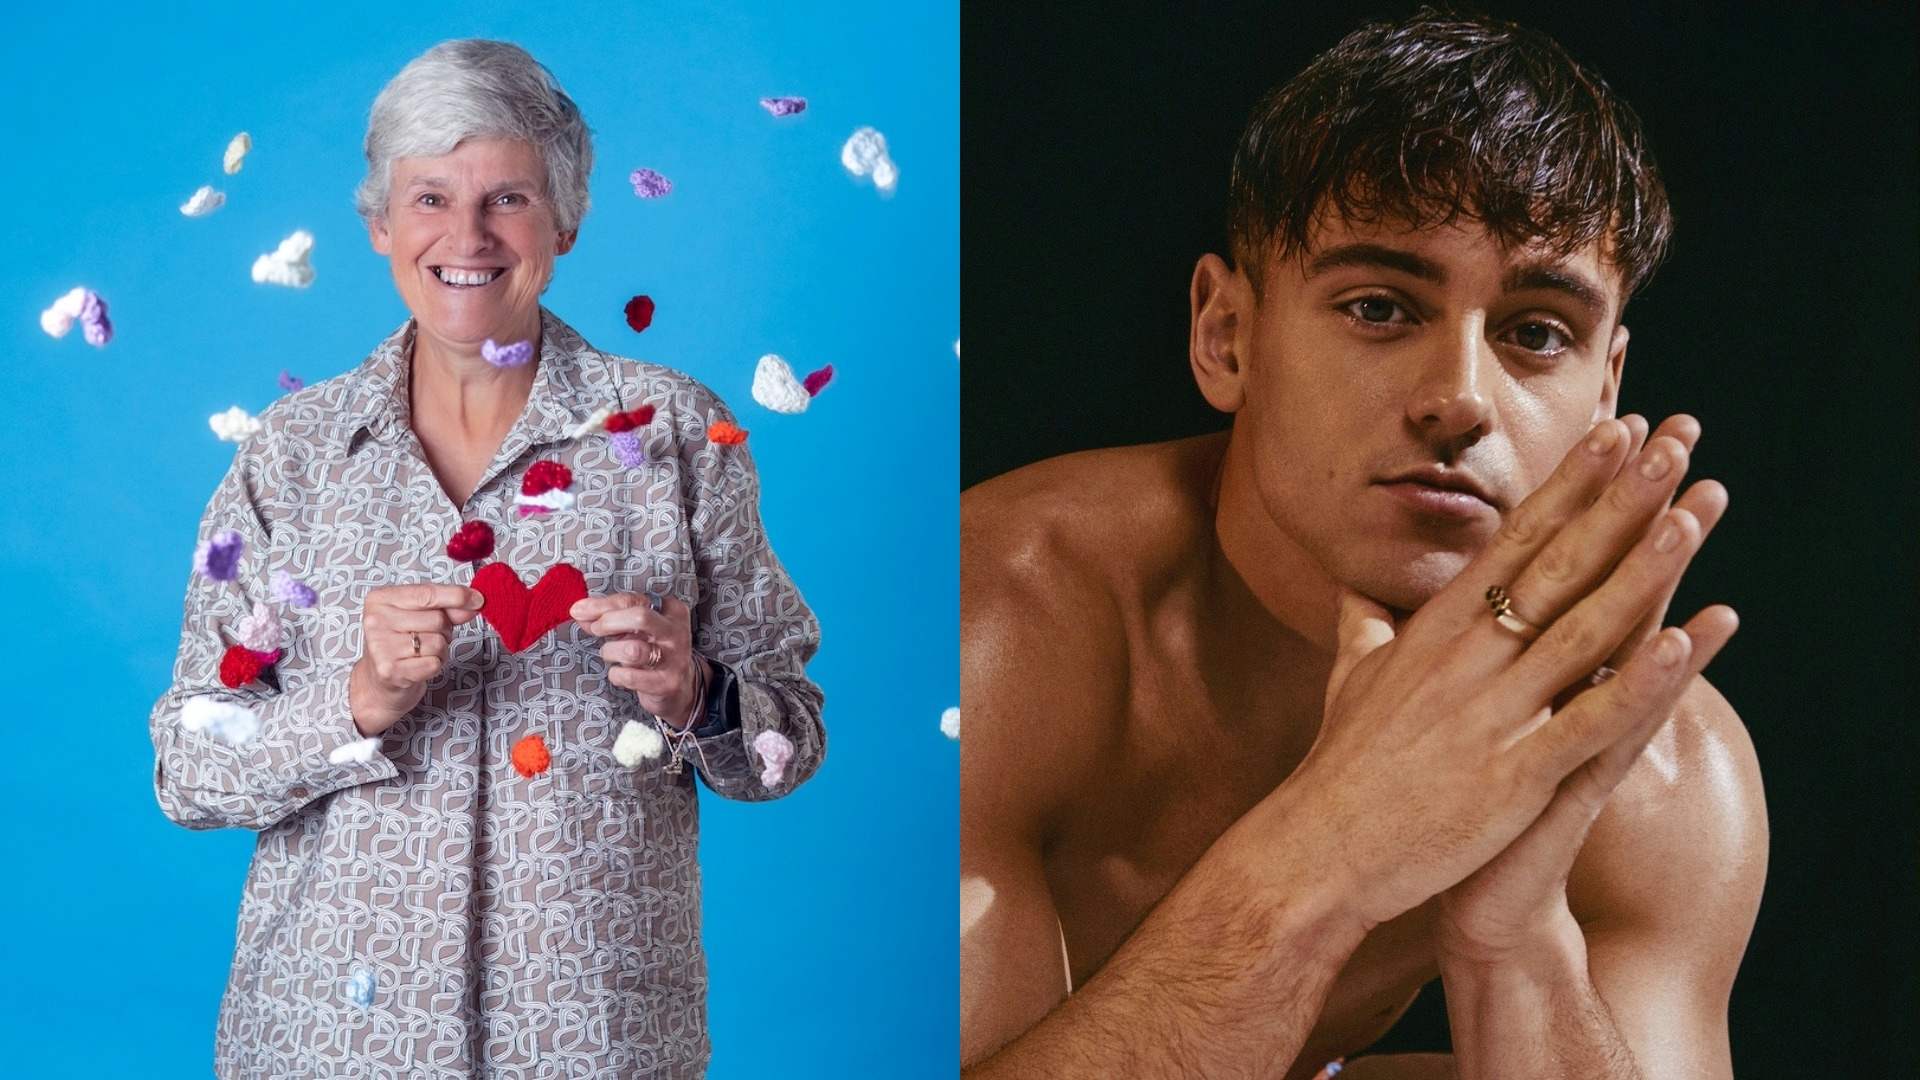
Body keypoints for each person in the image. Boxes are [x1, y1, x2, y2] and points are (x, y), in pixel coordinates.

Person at [960, 11, 1764, 1079]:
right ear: (1226, 336)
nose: (1461, 401)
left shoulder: (1662, 768)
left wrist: (1511, 933)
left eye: (1535, 334)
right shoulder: (998, 631)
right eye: (1381, 307)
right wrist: (1331, 845)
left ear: (1606, 391)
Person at [147, 39, 825, 1078]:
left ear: (566, 219)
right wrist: (358, 700)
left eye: (506, 198)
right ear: (378, 224)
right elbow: (185, 773)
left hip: (593, 1044)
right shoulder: (288, 456)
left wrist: (694, 694)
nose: (466, 236)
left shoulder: (678, 435)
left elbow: (792, 739)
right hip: (330, 1042)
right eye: (429, 199)